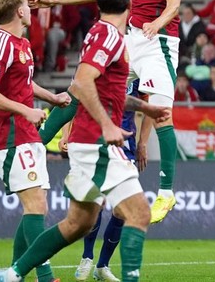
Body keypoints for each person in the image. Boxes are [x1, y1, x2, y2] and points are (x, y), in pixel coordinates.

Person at [0, 0, 170, 282]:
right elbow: (82, 82)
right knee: (138, 213)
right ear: (130, 3)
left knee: (78, 223)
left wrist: (143, 107)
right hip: (98, 142)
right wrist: (107, 125)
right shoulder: (109, 36)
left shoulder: (107, 34)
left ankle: (13, 273)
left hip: (90, 141)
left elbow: (105, 92)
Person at [29, 0, 185, 224]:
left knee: (162, 112)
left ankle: (166, 192)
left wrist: (157, 23)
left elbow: (174, 3)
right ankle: (36, 143)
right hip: (128, 39)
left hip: (158, 44)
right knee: (82, 84)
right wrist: (54, 0)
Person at [0, 0, 72, 282]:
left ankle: (11, 273)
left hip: (25, 133)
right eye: (26, 5)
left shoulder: (21, 44)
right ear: (19, 11)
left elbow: (24, 85)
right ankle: (44, 277)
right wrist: (24, 110)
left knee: (35, 206)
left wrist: (52, 99)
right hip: (9, 136)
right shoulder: (1, 43)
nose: (30, 9)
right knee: (36, 205)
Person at [72, 79, 152, 282]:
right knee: (96, 202)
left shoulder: (139, 73)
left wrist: (143, 143)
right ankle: (87, 256)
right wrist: (66, 134)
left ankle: (102, 265)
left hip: (126, 146)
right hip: (97, 141)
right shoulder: (97, 67)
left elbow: (148, 107)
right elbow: (74, 99)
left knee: (122, 210)